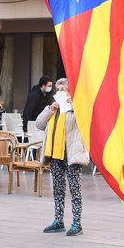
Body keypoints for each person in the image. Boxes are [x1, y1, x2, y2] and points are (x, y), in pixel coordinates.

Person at [35, 78, 88, 236]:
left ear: (69, 92)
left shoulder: (76, 108)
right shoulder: (52, 109)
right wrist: (50, 109)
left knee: (75, 190)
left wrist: (73, 105)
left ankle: (77, 223)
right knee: (58, 189)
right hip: (55, 154)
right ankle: (59, 221)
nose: (59, 92)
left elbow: (85, 121)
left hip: (71, 155)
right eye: (57, 90)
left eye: (63, 89)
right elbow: (39, 124)